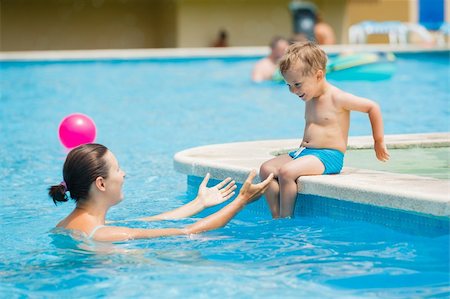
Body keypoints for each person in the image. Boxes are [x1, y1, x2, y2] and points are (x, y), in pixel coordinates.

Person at [259, 41, 390, 218]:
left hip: (328, 156)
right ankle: (275, 215)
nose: (293, 91)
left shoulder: (337, 97)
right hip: (304, 153)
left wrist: (378, 141)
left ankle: (285, 218)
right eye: (289, 85)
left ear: (318, 76)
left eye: (297, 84)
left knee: (286, 173)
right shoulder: (310, 96)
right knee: (266, 170)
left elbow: (372, 107)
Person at [49, 143, 273, 242]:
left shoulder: (66, 225)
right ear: (101, 184)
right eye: (117, 169)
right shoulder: (105, 234)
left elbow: (147, 222)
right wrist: (242, 201)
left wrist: (199, 203)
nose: (123, 174)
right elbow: (189, 232)